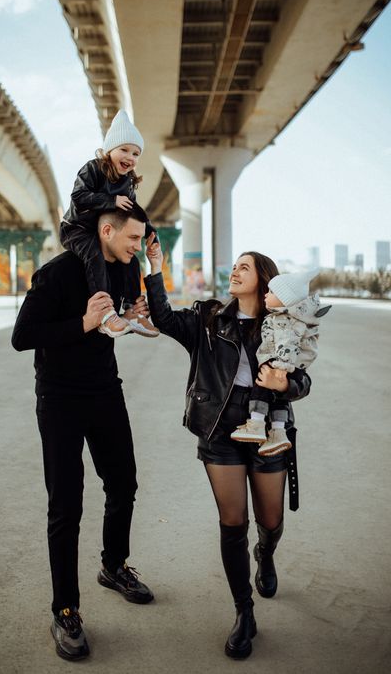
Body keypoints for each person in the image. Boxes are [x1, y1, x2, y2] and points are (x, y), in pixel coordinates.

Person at [144, 238, 311, 660]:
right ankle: (244, 611)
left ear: (264, 280)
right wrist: (155, 266)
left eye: (245, 268)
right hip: (219, 428)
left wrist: (286, 385)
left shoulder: (286, 321)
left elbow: (304, 380)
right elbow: (162, 317)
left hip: (268, 429)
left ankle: (266, 551)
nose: (235, 273)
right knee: (232, 521)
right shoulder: (208, 318)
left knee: (269, 518)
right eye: (234, 267)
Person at [12, 207, 155, 662]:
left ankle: (113, 566)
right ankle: (65, 609)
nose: (137, 246)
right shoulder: (56, 273)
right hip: (59, 399)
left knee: (124, 484)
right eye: (132, 237)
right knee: (66, 505)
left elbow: (117, 326)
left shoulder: (129, 268)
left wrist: (130, 316)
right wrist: (83, 323)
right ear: (106, 230)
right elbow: (23, 335)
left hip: (104, 390)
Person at [60, 108, 159, 339]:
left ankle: (132, 311)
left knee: (131, 262)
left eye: (135, 154)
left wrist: (151, 234)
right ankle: (105, 314)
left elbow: (133, 215)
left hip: (102, 232)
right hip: (76, 228)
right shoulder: (93, 169)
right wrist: (111, 200)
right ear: (109, 151)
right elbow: (78, 197)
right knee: (94, 255)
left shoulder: (128, 183)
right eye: (124, 150)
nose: (130, 157)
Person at [231, 269, 331, 455]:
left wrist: (281, 366)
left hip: (282, 362)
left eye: (271, 292)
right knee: (278, 398)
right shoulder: (292, 317)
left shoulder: (284, 319)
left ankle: (256, 423)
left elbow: (287, 342)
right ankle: (278, 431)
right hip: (292, 365)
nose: (266, 295)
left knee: (261, 386)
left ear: (285, 299)